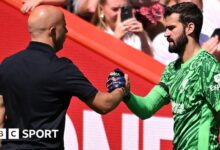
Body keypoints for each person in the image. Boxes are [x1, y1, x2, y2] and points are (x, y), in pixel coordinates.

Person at [0, 5, 126, 149]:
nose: (66, 32)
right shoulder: (62, 68)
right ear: (53, 31)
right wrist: (121, 89)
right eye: (64, 27)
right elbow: (104, 104)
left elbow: (0, 111)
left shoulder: (7, 65)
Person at [107, 2, 220, 149]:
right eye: (166, 28)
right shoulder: (172, 70)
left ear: (190, 28)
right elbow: (146, 108)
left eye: (172, 28)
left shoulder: (207, 66)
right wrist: (126, 94)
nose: (166, 34)